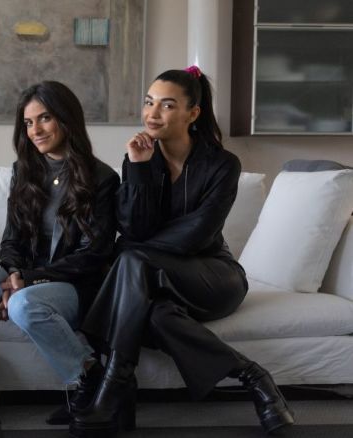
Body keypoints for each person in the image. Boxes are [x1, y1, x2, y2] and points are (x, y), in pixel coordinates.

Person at [70, 66, 295, 437]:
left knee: (129, 259)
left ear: (193, 113)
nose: (152, 113)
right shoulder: (139, 160)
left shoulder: (222, 165)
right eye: (148, 102)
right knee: (156, 315)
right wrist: (139, 171)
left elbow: (196, 235)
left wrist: (134, 251)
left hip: (212, 278)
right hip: (156, 284)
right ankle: (254, 378)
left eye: (167, 105)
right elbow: (133, 228)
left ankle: (112, 386)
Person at [0, 81, 120, 438]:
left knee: (23, 304)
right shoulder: (25, 171)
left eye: (45, 118)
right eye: (28, 122)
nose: (36, 130)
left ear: (67, 119)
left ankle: (89, 377)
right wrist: (14, 274)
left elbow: (94, 255)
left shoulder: (103, 178)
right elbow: (11, 240)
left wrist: (26, 280)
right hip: (25, 280)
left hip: (73, 287)